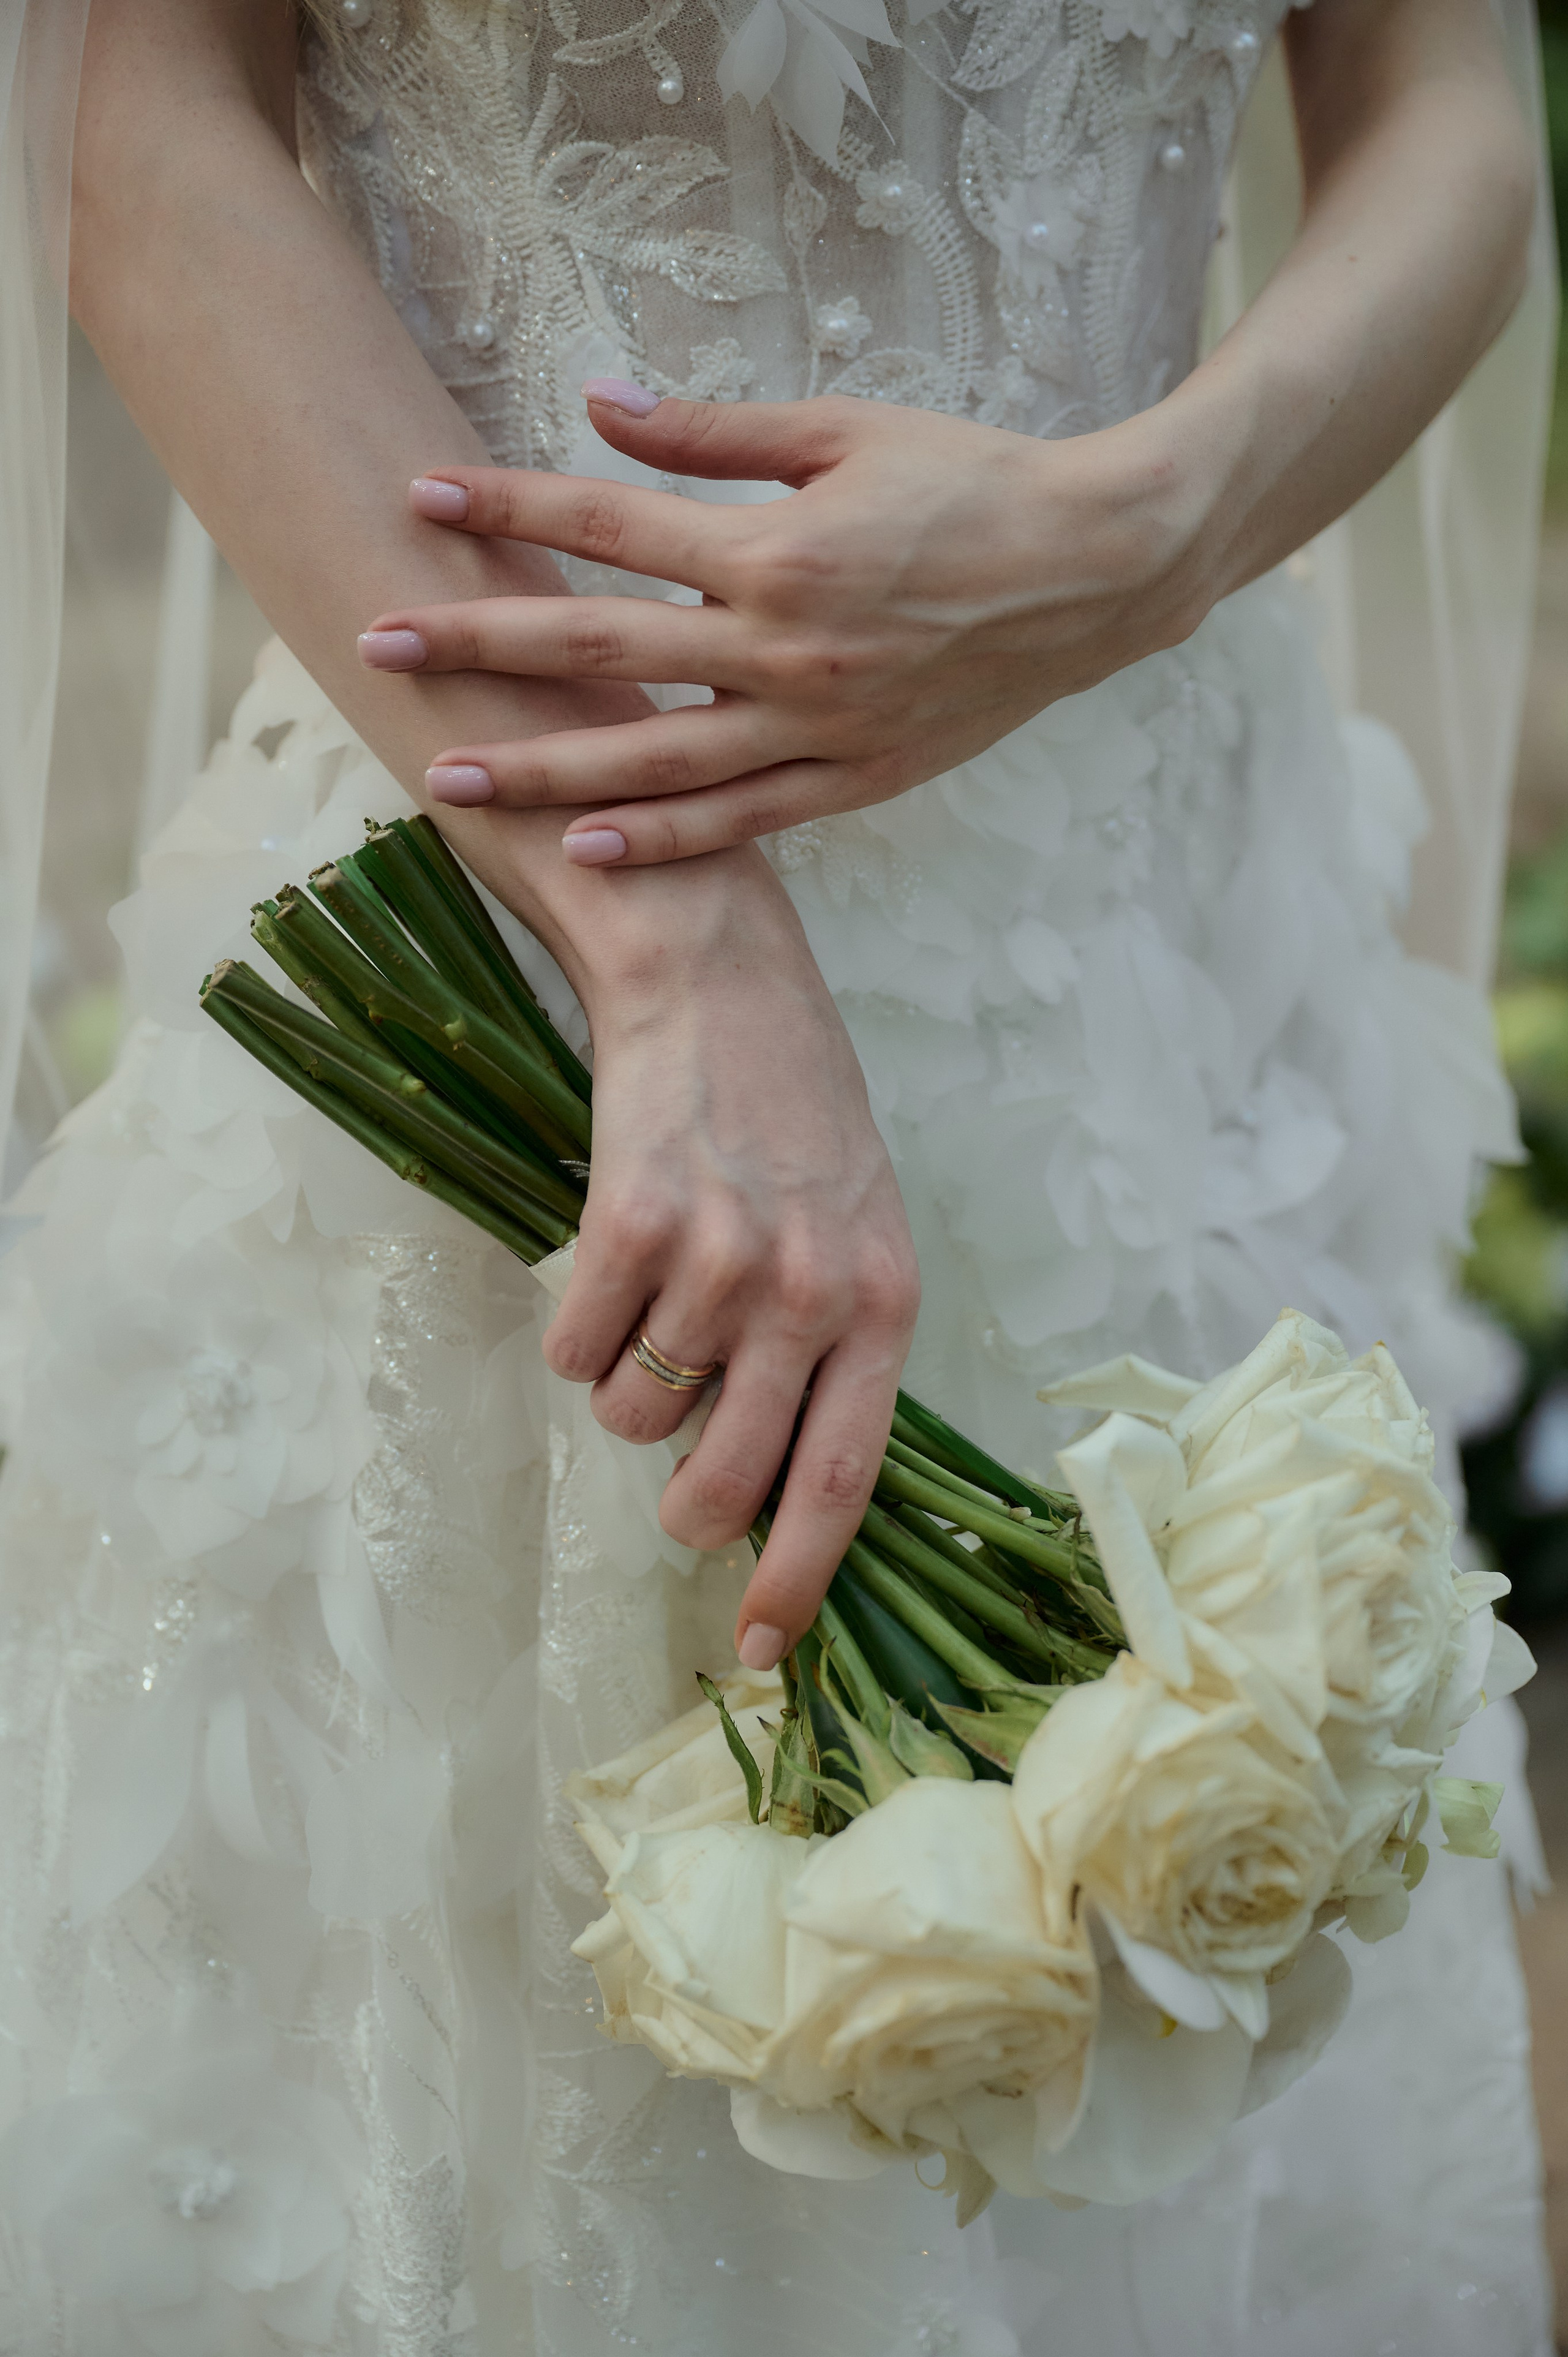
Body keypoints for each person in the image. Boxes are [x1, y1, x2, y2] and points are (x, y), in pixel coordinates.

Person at [0, 0, 1553, 2348]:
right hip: (503, 937)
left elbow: (1443, 107)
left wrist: (1147, 527)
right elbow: (147, 133)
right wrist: (665, 939)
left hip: (1156, 991)